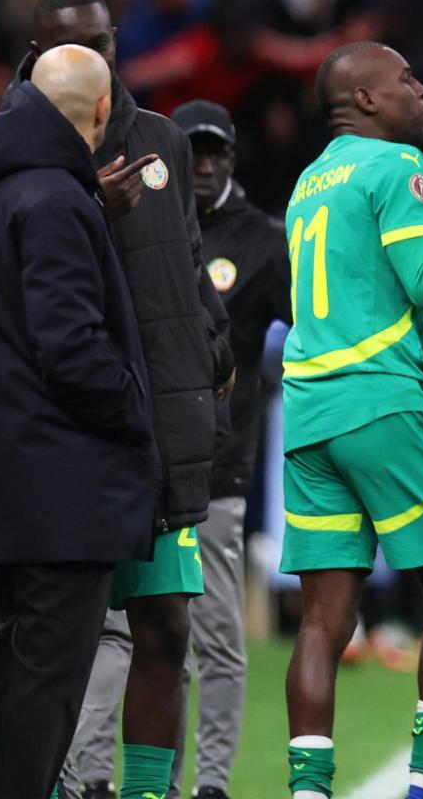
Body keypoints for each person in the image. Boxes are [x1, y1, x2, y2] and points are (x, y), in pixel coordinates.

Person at [19, 0, 233, 799]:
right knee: (57, 638)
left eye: (100, 42)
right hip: (65, 430)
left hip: (155, 432)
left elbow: (184, 258)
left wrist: (212, 351)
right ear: (35, 59)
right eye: (66, 48)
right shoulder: (14, 149)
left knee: (166, 628)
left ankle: (144, 793)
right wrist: (88, 208)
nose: (91, 60)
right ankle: (65, 782)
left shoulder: (162, 140)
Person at [278, 43, 423, 799]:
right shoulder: (398, 167)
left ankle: (308, 789)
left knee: (324, 618)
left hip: (307, 411)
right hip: (379, 399)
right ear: (364, 99)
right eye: (407, 80)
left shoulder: (307, 181)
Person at [0, 43, 159, 799]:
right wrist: (135, 410)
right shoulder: (53, 197)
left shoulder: (2, 191)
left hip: (19, 478)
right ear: (104, 110)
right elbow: (70, 346)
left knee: (21, 684)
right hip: (64, 491)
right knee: (45, 696)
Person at [165, 99, 291, 799]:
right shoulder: (143, 227)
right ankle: (152, 780)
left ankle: (210, 785)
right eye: (193, 151)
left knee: (214, 636)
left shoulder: (263, 241)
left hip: (216, 470)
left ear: (234, 157)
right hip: (143, 474)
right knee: (149, 643)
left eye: (216, 151)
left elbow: (307, 328)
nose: (206, 164)